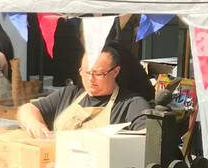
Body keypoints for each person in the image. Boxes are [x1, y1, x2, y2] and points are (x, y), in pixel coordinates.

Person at [17, 45, 151, 137]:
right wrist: (35, 124)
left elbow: (147, 136)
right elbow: (27, 109)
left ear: (115, 71)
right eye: (86, 72)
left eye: (98, 74)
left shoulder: (131, 104)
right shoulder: (69, 94)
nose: (90, 79)